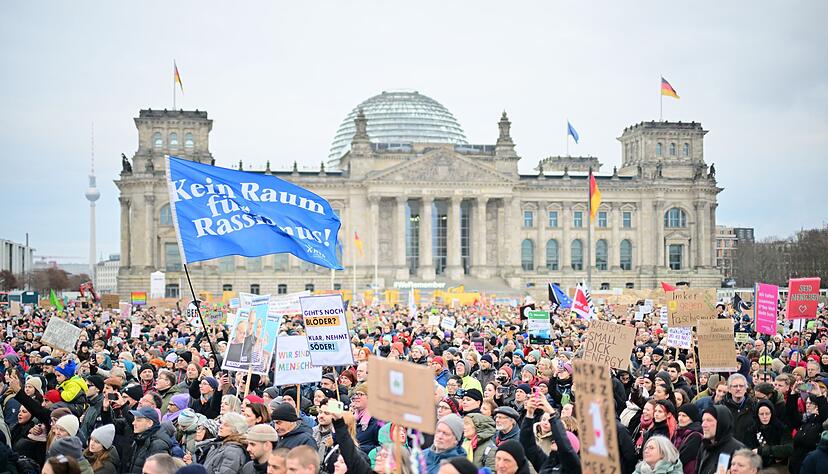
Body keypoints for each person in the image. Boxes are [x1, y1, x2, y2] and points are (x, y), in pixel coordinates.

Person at [695, 406, 745, 474]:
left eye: (709, 420)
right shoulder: (705, 445)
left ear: (721, 422)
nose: (703, 425)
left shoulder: (738, 450)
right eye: (703, 420)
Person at [127, 406, 174, 474]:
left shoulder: (158, 445)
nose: (133, 423)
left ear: (150, 423)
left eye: (138, 420)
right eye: (134, 419)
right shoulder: (140, 439)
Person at [752, 399, 792, 470]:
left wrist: (762, 451)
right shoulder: (752, 429)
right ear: (757, 415)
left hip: (777, 468)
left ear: (772, 413)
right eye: (761, 414)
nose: (764, 417)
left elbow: (788, 449)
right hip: (757, 467)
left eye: (767, 413)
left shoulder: (781, 428)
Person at [673, 404, 702, 474]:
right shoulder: (679, 432)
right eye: (679, 415)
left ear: (692, 418)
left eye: (684, 416)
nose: (680, 418)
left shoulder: (695, 436)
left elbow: (682, 458)